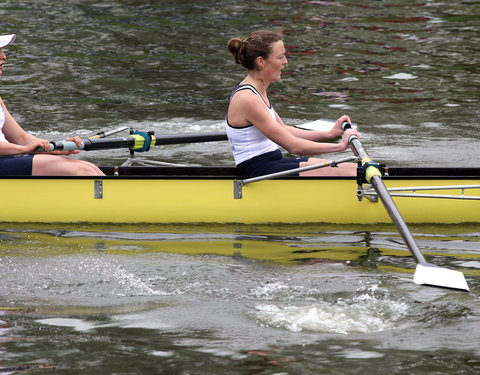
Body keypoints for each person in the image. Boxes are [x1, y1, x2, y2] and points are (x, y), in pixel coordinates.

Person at [226, 29, 360, 177]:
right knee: (353, 172)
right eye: (280, 57)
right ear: (261, 61)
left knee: (353, 169)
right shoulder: (248, 98)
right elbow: (294, 146)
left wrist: (329, 134)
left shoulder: (257, 91)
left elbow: (284, 130)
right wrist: (341, 146)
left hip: (272, 162)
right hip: (258, 171)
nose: (285, 62)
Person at [0, 34, 104, 176]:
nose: (3, 56)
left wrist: (56, 147)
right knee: (83, 171)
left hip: (7, 159)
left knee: (90, 168)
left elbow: (21, 138)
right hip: (6, 160)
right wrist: (24, 150)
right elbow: (23, 146)